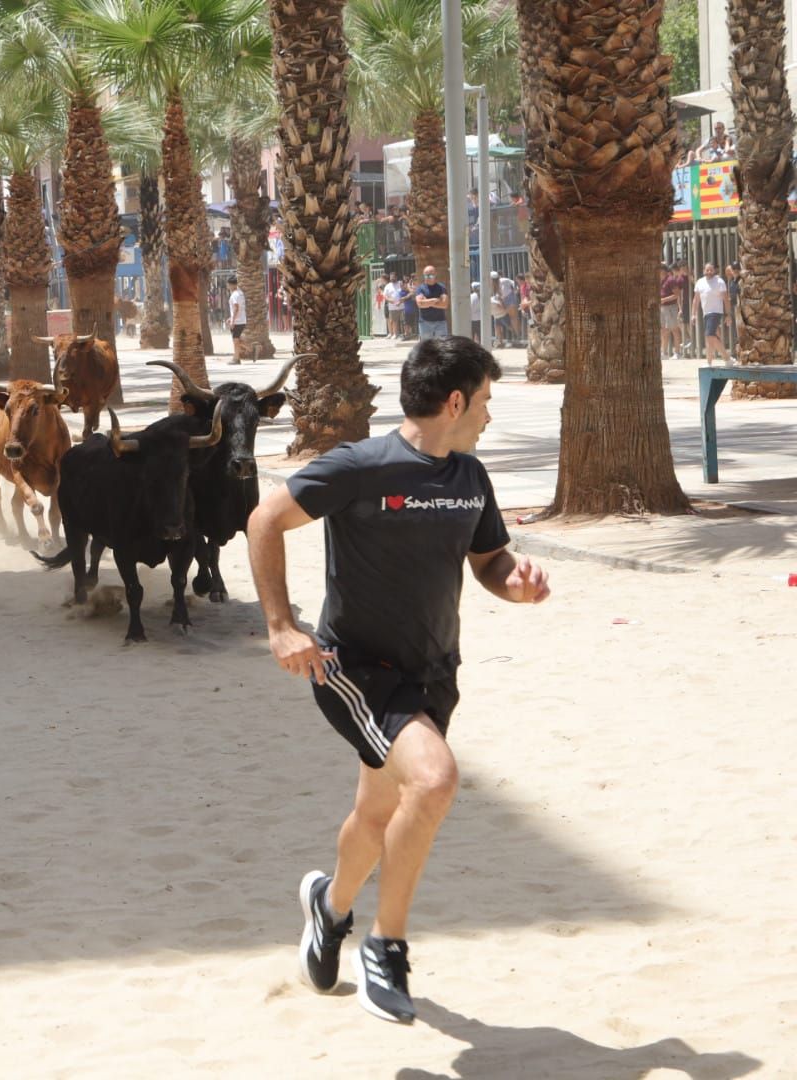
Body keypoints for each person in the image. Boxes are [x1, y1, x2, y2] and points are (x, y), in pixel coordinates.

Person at [246, 335, 550, 1025]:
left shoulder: (469, 477)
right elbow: (265, 518)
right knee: (435, 779)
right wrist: (280, 625)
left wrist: (519, 582)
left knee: (379, 812)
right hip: (354, 669)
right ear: (453, 400)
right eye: (485, 401)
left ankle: (329, 907)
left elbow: (490, 561)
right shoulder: (362, 466)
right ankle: (385, 944)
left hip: (434, 673)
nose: (488, 416)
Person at [694, 262, 732, 364]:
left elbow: (725, 299)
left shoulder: (719, 281)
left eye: (711, 270)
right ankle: (709, 363)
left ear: (714, 271)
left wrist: (728, 314)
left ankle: (726, 358)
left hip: (716, 312)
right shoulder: (699, 282)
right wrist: (693, 314)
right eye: (707, 270)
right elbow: (696, 299)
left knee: (709, 336)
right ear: (703, 271)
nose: (709, 272)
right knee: (710, 338)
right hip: (705, 313)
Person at [414, 266, 449, 339]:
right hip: (425, 323)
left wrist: (427, 302)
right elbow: (420, 304)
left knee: (442, 346)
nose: (428, 277)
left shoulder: (441, 287)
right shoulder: (420, 288)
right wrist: (435, 300)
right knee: (426, 347)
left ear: (435, 274)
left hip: (440, 322)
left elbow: (444, 305)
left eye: (430, 275)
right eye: (426, 275)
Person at [659, 263, 684, 361]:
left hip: (671, 307)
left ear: (662, 270)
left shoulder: (671, 280)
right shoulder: (661, 280)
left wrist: (664, 300)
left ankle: (677, 353)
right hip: (663, 308)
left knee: (674, 329)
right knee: (664, 330)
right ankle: (664, 352)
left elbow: (677, 294)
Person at [228, 284, 247, 364]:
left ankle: (236, 359)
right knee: (237, 340)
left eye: (228, 285)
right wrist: (231, 318)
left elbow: (236, 308)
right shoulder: (240, 293)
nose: (227, 286)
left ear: (231, 285)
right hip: (241, 320)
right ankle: (253, 349)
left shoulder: (235, 295)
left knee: (236, 340)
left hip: (238, 321)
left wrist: (233, 321)